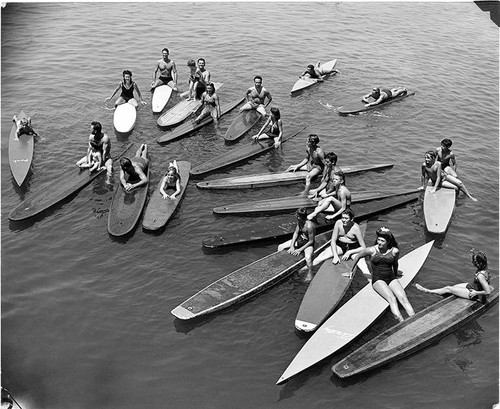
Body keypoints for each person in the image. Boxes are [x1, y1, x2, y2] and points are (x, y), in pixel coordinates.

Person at [347, 227, 415, 322]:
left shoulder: (395, 251)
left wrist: (395, 274)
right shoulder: (371, 250)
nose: (379, 242)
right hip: (378, 279)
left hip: (391, 277)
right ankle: (402, 323)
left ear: (388, 242)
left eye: (382, 241)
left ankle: (414, 320)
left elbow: (395, 264)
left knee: (403, 299)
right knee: (392, 299)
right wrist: (350, 271)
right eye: (378, 239)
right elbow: (357, 256)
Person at [416, 250, 493, 302]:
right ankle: (441, 296)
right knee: (453, 287)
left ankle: (427, 291)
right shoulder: (485, 268)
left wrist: (476, 293)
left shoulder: (480, 276)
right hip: (472, 286)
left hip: (473, 293)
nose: (472, 262)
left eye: (474, 261)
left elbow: (488, 292)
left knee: (448, 288)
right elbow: (487, 283)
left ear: (477, 263)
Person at [277, 208, 316, 282]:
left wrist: (299, 250)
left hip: (308, 244)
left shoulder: (309, 226)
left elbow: (311, 241)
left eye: (296, 215)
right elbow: (296, 233)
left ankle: (310, 273)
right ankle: (279, 265)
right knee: (280, 246)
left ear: (299, 217)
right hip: (300, 240)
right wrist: (292, 246)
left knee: (308, 258)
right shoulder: (299, 222)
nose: (295, 216)